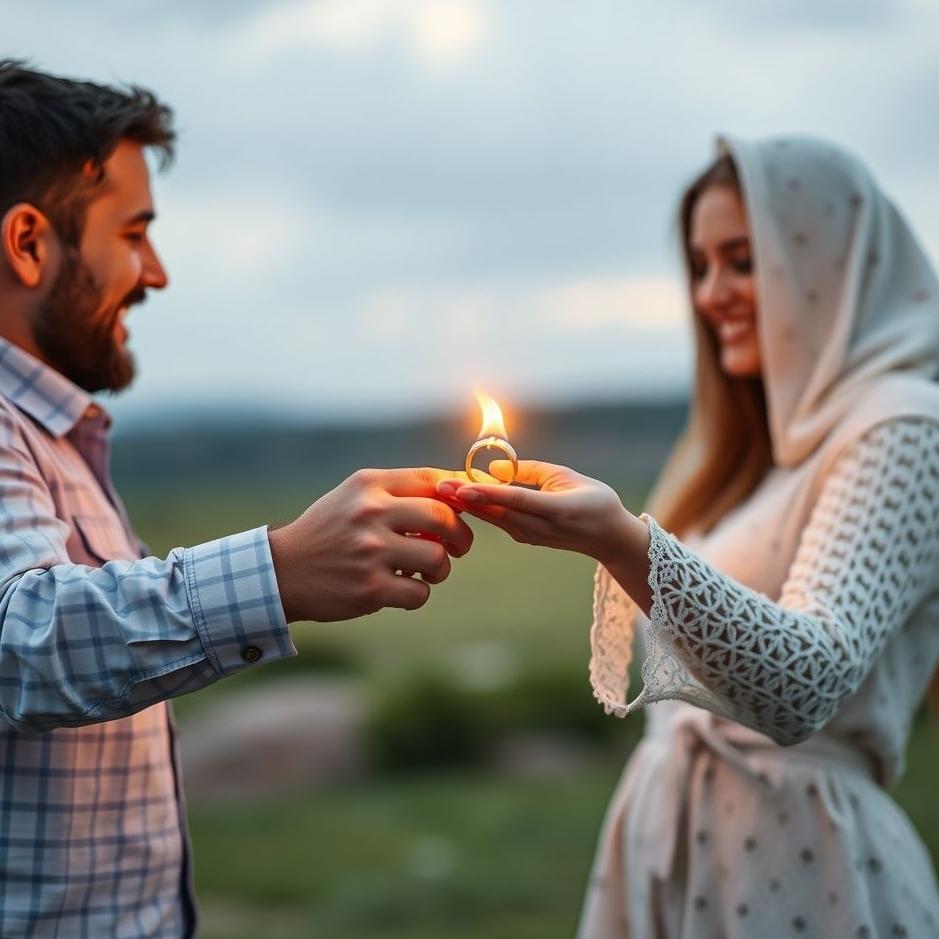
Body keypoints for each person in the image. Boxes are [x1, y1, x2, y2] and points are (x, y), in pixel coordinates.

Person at [0, 60, 474, 938]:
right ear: (29, 243)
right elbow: (18, 643)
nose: (157, 272)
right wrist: (281, 572)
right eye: (133, 233)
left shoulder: (55, 436)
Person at [438, 136, 939, 937]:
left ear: (832, 262)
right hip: (676, 860)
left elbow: (808, 680)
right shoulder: (746, 451)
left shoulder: (903, 426)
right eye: (700, 266)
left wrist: (622, 544)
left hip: (808, 879)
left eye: (742, 260)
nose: (711, 294)